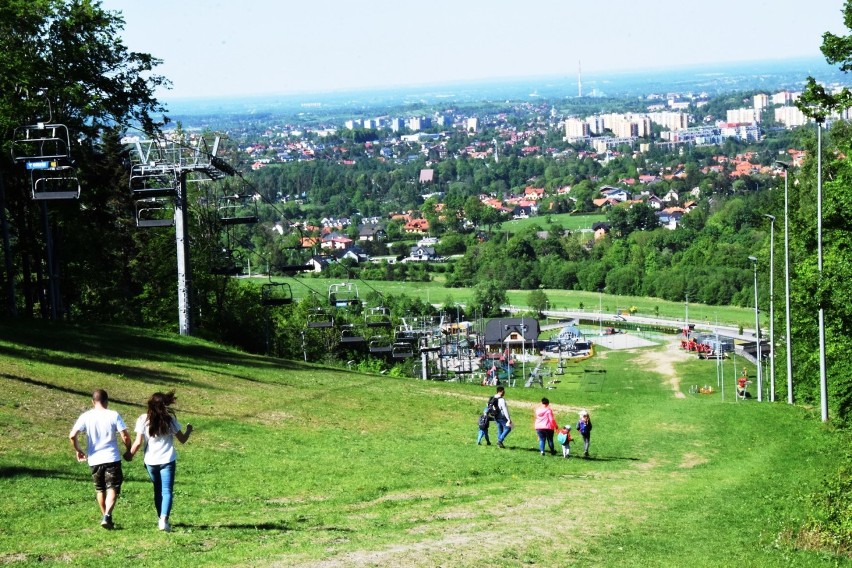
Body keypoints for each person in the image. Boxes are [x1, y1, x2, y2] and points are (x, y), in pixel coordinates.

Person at [126, 391, 193, 532]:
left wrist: (130, 454)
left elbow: (138, 442)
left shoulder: (143, 419)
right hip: (167, 460)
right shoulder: (169, 420)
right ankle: (163, 519)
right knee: (167, 491)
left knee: (157, 490)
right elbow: (182, 439)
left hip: (151, 461)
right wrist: (188, 430)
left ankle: (160, 518)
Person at [69, 389, 132, 530]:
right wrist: (128, 449)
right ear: (106, 401)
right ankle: (107, 515)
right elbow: (125, 436)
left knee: (100, 489)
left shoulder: (85, 416)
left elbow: (72, 436)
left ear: (93, 401)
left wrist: (78, 450)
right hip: (111, 458)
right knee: (113, 487)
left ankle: (106, 517)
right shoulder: (113, 415)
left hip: (94, 459)